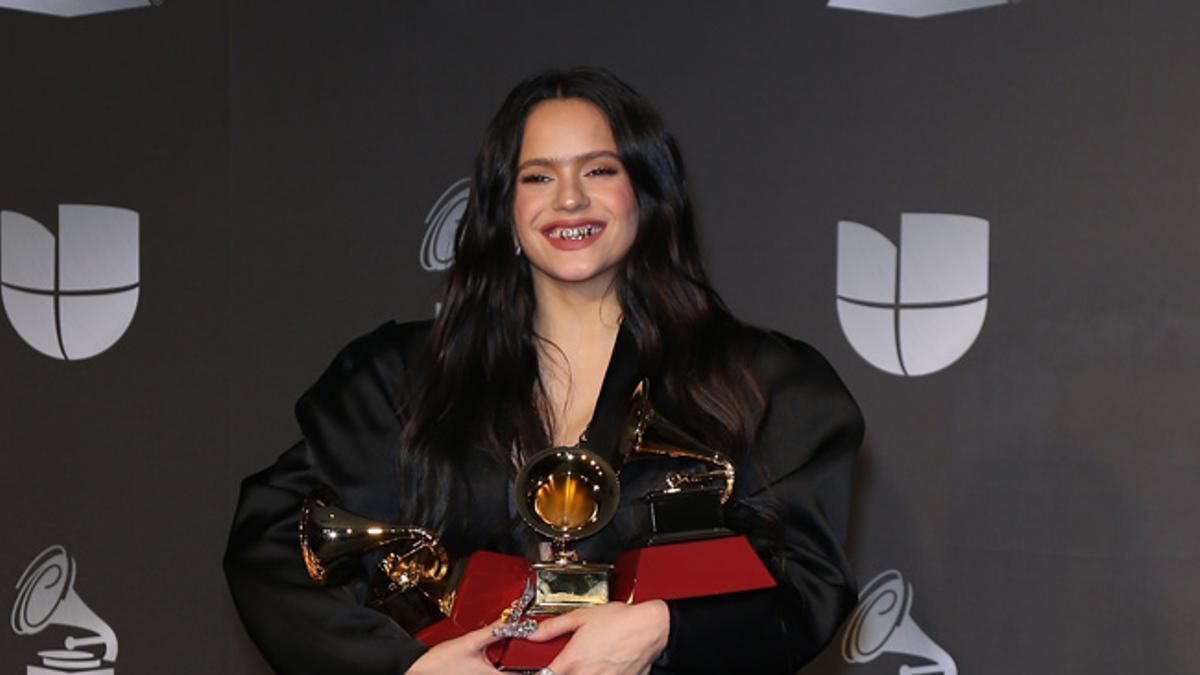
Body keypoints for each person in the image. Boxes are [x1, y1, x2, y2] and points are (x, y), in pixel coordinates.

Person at [224, 66, 864, 675]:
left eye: (599, 169)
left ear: (647, 192)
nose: (569, 199)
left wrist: (667, 629)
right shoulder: (399, 379)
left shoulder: (758, 383)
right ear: (504, 207)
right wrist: (404, 665)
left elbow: (808, 585)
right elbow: (274, 542)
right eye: (537, 176)